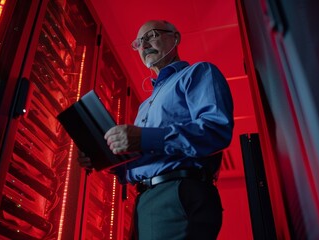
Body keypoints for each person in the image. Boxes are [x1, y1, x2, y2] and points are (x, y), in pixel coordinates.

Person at [78, 19, 234, 240]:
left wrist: (144, 137)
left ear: (175, 38)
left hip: (176, 193)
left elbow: (215, 130)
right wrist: (103, 157)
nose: (144, 45)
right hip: (146, 201)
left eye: (151, 35)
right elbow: (142, 161)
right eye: (139, 42)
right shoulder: (145, 105)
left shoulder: (198, 73)